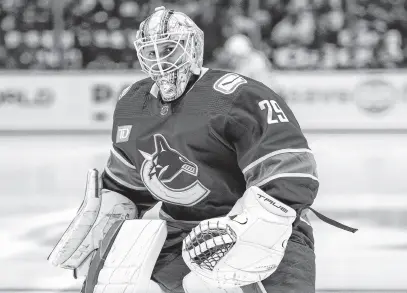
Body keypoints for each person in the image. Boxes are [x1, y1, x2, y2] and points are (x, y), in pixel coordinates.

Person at [49, 6, 355, 293]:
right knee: (114, 279)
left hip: (269, 233)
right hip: (179, 234)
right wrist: (107, 216)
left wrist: (248, 229)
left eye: (168, 49)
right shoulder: (132, 103)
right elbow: (127, 183)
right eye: (150, 52)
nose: (159, 60)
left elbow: (293, 174)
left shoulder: (239, 95)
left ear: (192, 47)